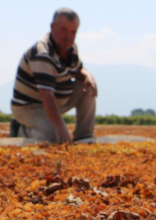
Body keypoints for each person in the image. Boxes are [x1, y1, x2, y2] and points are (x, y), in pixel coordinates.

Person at [9, 8, 97, 144]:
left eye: (73, 32)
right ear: (52, 27)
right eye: (64, 30)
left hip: (56, 102)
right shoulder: (42, 53)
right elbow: (46, 94)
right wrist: (60, 126)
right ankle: (21, 129)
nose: (68, 36)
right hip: (30, 107)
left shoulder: (71, 48)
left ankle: (84, 136)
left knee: (88, 86)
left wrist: (88, 76)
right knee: (55, 138)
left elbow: (79, 70)